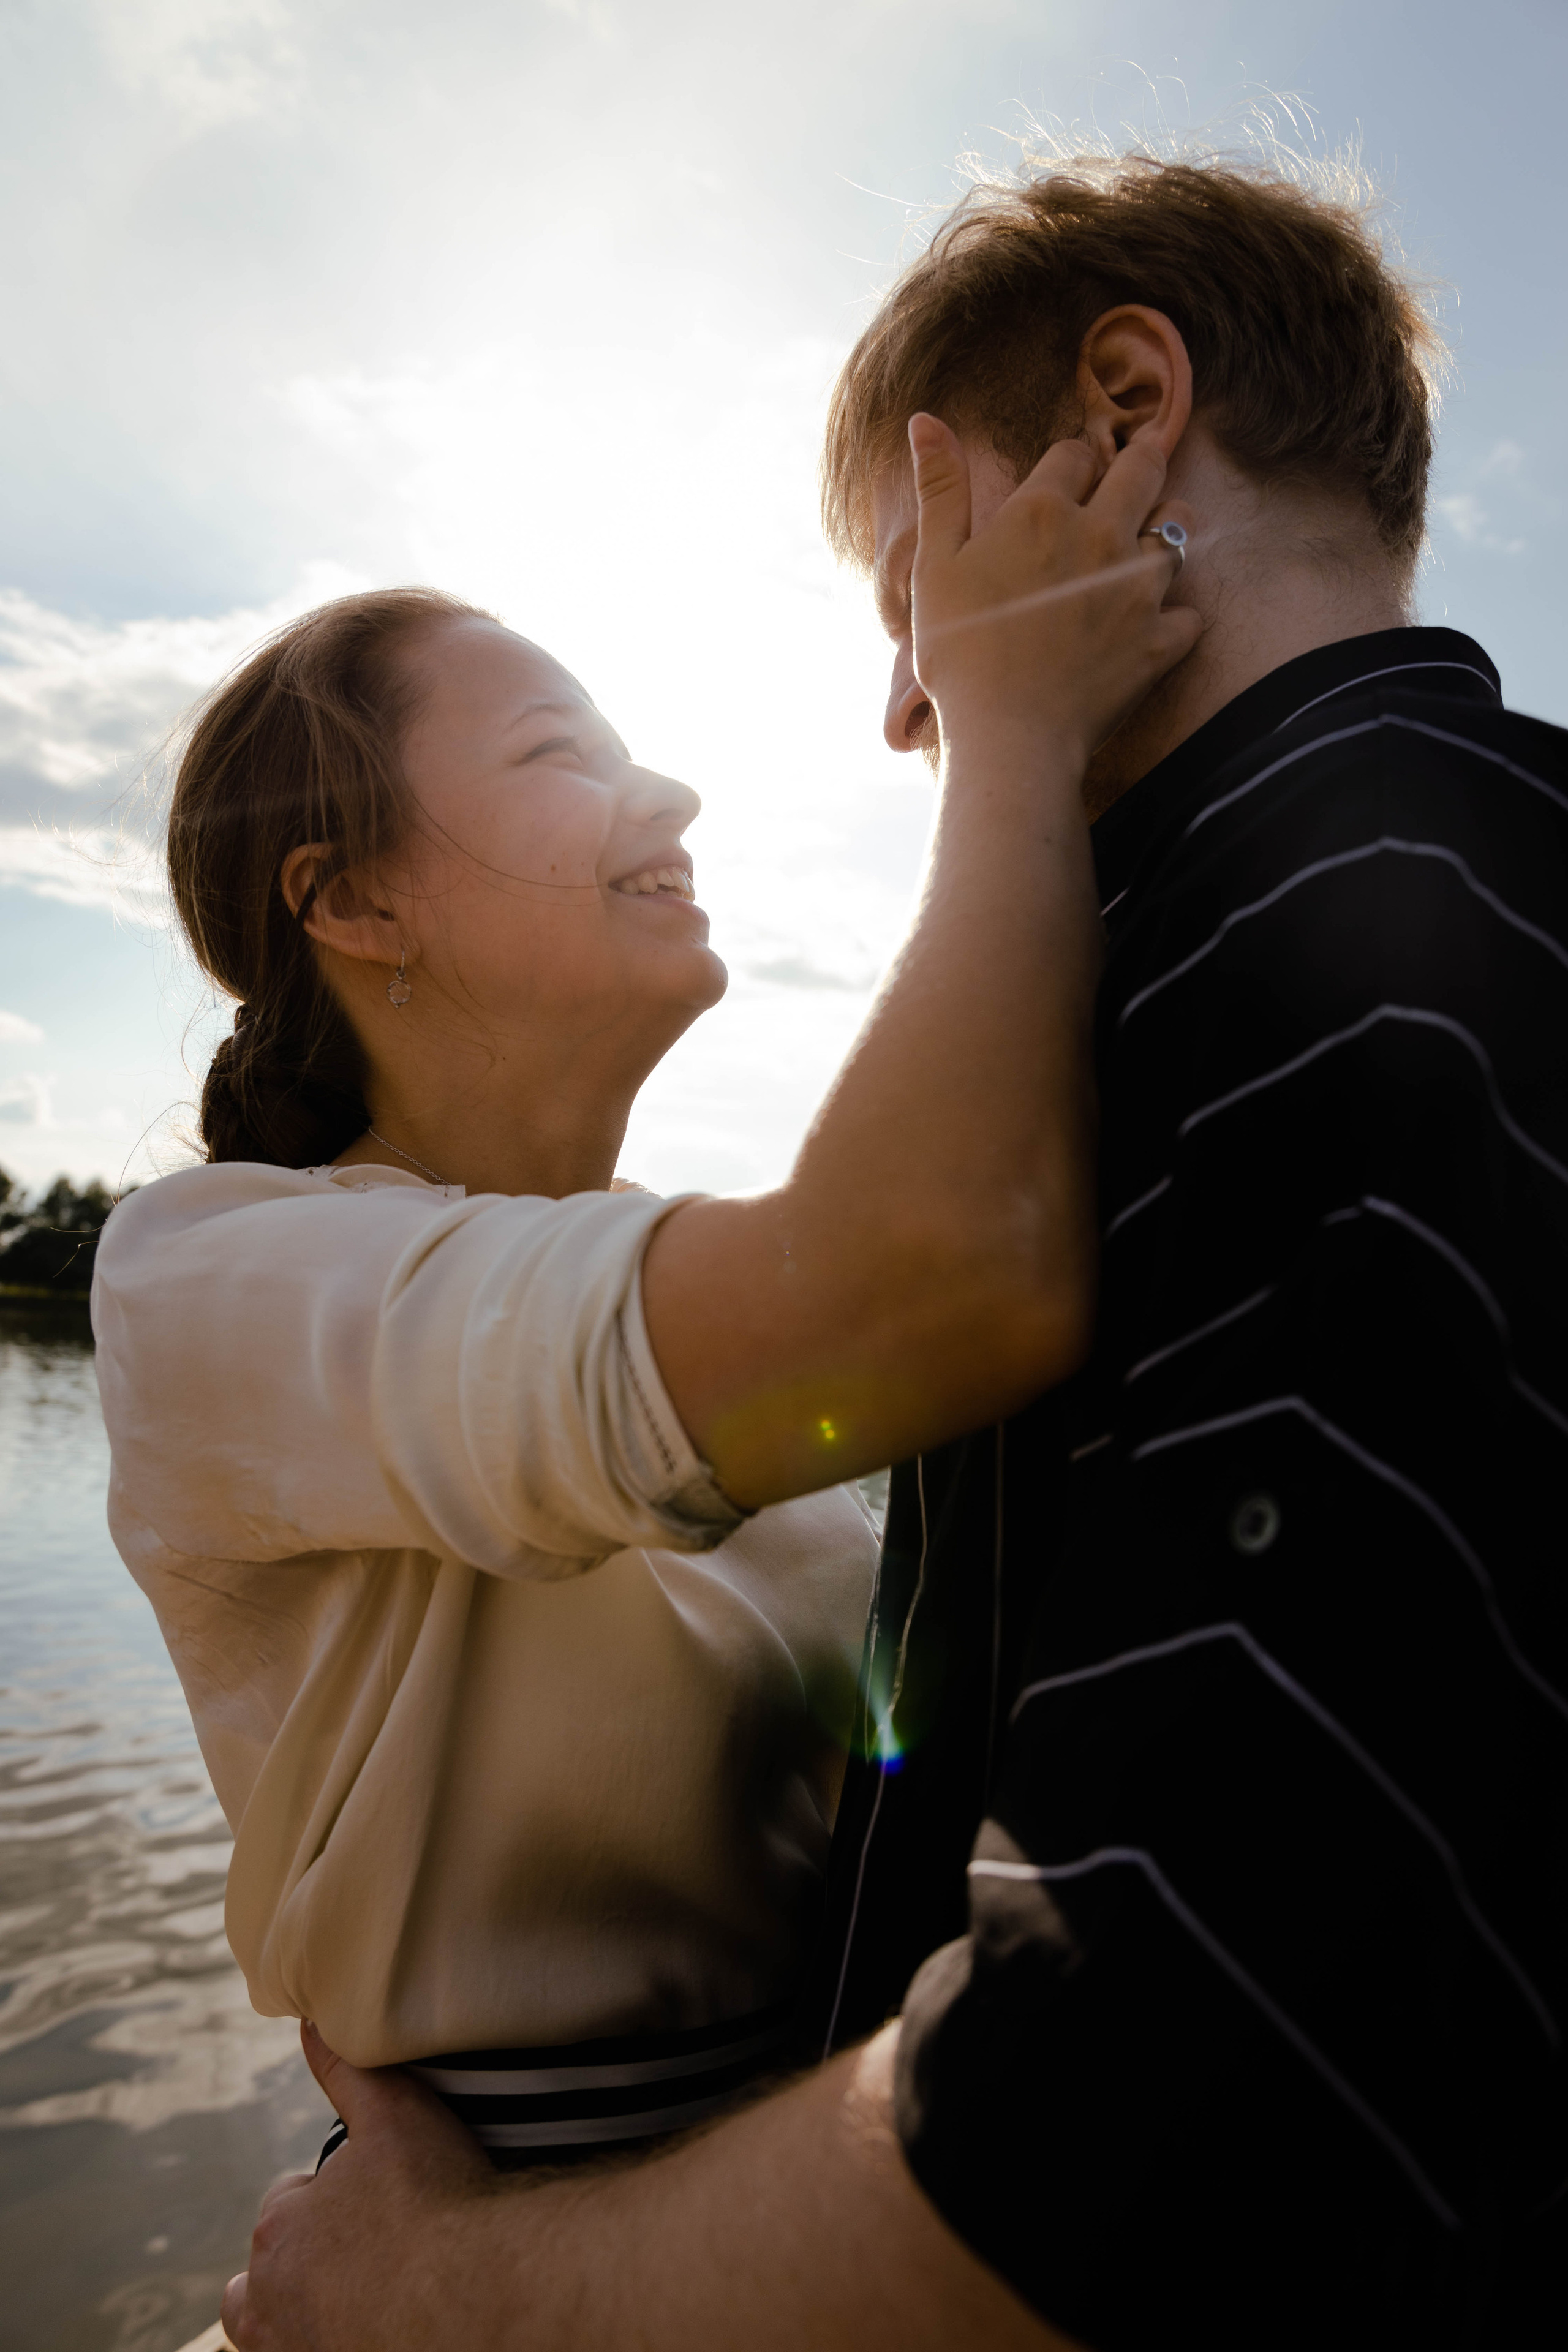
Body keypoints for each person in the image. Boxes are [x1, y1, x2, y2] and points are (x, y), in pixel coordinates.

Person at [218, 148, 1568, 2351]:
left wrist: (445, 2295)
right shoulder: (1407, 901)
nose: (907, 716)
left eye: (902, 604)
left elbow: (1135, 2136)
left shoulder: (1331, 953)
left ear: (1127, 418)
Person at [94, 391, 1193, 2169]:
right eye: (559, 756)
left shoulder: (699, 1278)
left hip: (806, 2194)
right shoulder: (212, 1279)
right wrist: (1014, 727)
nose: (666, 791)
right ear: (356, 904)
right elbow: (939, 1279)